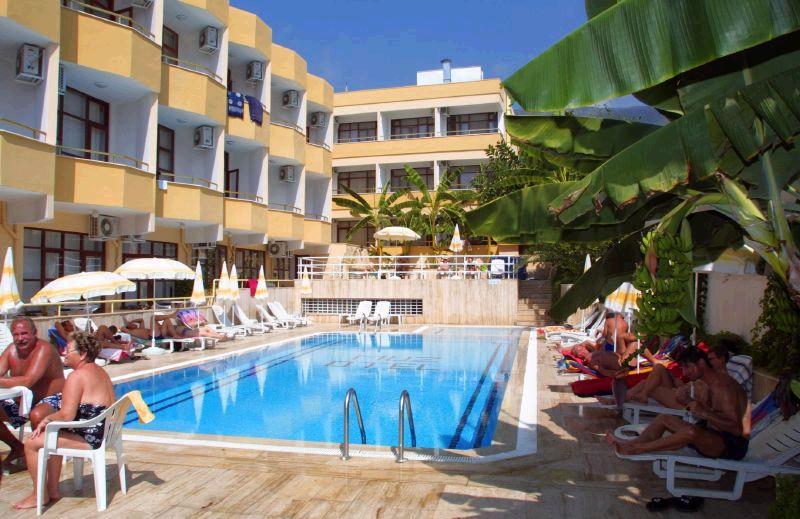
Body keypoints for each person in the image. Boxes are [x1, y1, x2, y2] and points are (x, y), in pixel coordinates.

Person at [13, 332, 116, 510]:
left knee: (31, 443)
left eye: (68, 350)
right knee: (55, 433)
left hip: (91, 440)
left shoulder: (77, 376)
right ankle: (52, 490)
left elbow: (66, 415)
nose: (64, 353)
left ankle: (38, 495)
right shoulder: (101, 371)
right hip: (103, 434)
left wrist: (47, 419)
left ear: (82, 354)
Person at [606, 347, 750, 459]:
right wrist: (689, 402)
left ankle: (638, 449)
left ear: (701, 363)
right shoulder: (707, 384)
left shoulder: (723, 388)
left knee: (691, 432)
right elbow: (705, 413)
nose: (685, 373)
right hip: (710, 433)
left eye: (688, 367)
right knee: (664, 419)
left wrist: (704, 412)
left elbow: (737, 429)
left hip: (731, 445)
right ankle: (631, 443)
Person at [0, 317, 66, 465]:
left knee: (36, 415)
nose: (20, 338)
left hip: (54, 399)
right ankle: (18, 448)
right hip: (24, 402)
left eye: (24, 333)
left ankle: (41, 461)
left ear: (34, 333)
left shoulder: (44, 349)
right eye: (16, 335)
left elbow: (28, 381)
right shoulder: (11, 350)